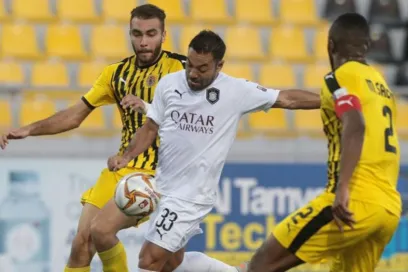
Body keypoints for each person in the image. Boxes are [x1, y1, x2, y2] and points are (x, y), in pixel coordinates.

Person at [0, 4, 195, 272]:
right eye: (137, 34)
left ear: (163, 35)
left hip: (163, 175)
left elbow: (199, 116)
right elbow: (75, 115)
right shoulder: (115, 74)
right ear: (130, 34)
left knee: (156, 255)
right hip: (122, 168)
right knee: (82, 243)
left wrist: (150, 107)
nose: (143, 41)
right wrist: (29, 129)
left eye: (151, 34)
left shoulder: (182, 70)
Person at [109, 29, 321, 272]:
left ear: (219, 66)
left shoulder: (235, 91)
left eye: (202, 68)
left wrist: (329, 100)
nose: (193, 73)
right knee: (171, 265)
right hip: (163, 189)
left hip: (192, 196)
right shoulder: (169, 85)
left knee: (149, 259)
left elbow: (286, 99)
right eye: (190, 65)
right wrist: (125, 156)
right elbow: (150, 128)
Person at [243, 13, 402, 272]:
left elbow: (356, 124)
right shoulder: (381, 85)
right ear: (366, 47)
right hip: (388, 208)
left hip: (353, 202)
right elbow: (348, 112)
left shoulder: (336, 78)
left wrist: (343, 188)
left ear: (330, 45)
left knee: (261, 263)